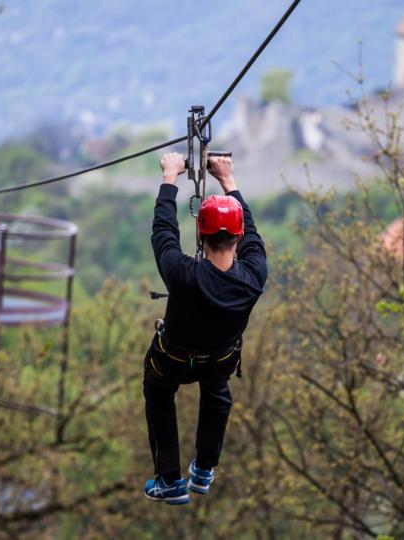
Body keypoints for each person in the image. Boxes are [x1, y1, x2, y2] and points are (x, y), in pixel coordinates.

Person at [142, 152, 267, 505]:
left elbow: (163, 232)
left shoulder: (183, 275)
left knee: (159, 392)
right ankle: (205, 468)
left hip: (173, 358)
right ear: (238, 236)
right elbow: (253, 236)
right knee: (217, 390)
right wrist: (229, 180)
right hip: (221, 357)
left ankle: (169, 479)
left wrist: (170, 177)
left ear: (200, 232)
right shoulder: (253, 277)